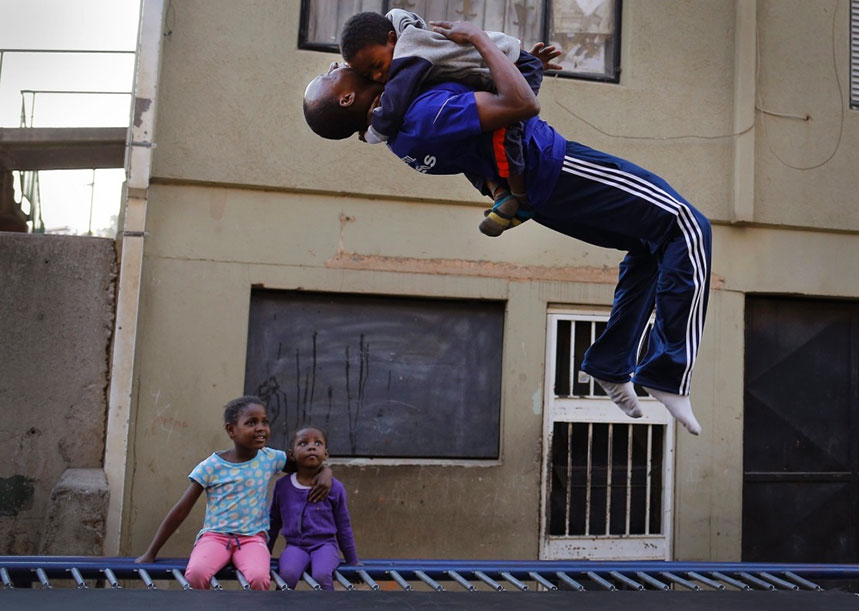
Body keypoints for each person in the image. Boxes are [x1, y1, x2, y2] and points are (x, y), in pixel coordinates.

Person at [302, 20, 711, 436]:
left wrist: (511, 62)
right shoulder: (422, 115)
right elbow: (520, 105)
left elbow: (489, 114)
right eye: (330, 74)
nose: (336, 64)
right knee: (686, 225)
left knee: (651, 246)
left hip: (542, 191)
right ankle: (668, 372)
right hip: (557, 166)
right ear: (347, 95)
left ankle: (611, 360)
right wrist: (479, 39)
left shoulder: (403, 122)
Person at [340, 9, 561, 236]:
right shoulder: (404, 55)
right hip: (496, 74)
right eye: (369, 76)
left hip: (518, 66)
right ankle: (501, 196)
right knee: (464, 144)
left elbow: (393, 106)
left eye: (377, 65)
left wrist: (372, 131)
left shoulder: (410, 48)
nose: (378, 76)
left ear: (392, 38)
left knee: (506, 132)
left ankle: (521, 200)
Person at [134, 396, 333, 589]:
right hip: (215, 537)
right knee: (196, 574)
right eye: (251, 422)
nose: (261, 428)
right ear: (231, 430)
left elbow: (305, 463)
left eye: (265, 422)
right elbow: (181, 510)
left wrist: (326, 471)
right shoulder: (211, 467)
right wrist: (151, 552)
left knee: (258, 578)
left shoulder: (270, 458)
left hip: (252, 539)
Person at [267, 426, 358, 590]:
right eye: (303, 443)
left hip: (325, 546)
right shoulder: (283, 486)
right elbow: (273, 522)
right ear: (292, 455)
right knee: (287, 574)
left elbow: (343, 526)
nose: (311, 446)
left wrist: (353, 561)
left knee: (321, 575)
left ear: (326, 454)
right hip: (295, 546)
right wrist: (265, 553)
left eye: (318, 443)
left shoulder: (335, 488)